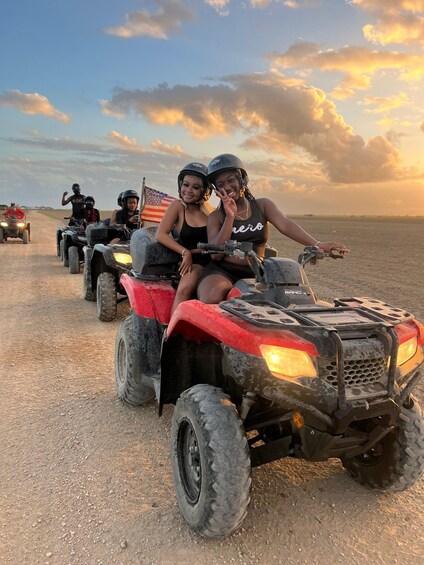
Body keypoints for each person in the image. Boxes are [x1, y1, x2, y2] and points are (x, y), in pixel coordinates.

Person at [197, 153, 349, 304]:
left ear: (242, 179)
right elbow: (216, 255)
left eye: (231, 180)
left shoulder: (262, 206)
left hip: (259, 273)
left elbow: (285, 224)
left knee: (292, 301)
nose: (227, 187)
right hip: (223, 272)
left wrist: (317, 245)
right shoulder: (216, 216)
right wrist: (230, 217)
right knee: (213, 297)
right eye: (221, 184)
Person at [156, 162, 212, 315]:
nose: (189, 190)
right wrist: (184, 252)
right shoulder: (177, 207)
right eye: (186, 185)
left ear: (205, 190)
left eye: (195, 187)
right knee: (184, 289)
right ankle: (171, 335)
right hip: (193, 261)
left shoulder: (211, 212)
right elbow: (161, 234)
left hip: (216, 260)